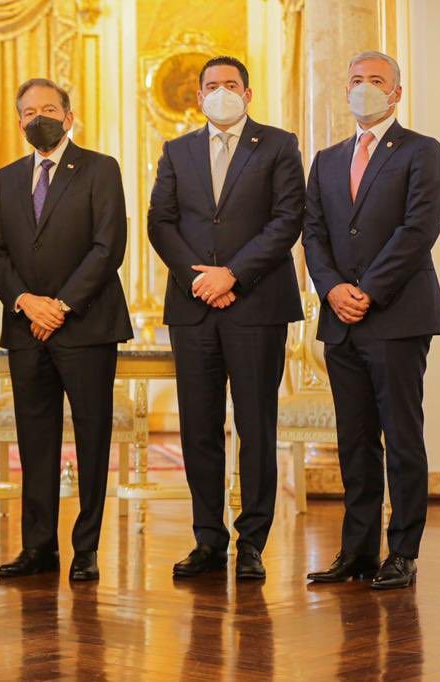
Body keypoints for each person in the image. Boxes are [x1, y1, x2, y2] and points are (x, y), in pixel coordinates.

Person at [147, 56, 305, 581]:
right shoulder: (177, 150)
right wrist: (200, 278)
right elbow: (160, 222)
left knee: (256, 423)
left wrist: (232, 275)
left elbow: (287, 219)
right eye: (211, 86)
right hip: (194, 308)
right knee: (199, 427)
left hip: (256, 305)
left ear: (248, 93)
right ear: (199, 97)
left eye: (230, 85)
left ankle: (253, 541)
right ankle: (208, 540)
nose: (221, 93)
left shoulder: (279, 145)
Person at [303, 51, 440, 590]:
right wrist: (334, 289)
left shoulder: (420, 151)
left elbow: (418, 229)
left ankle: (403, 552)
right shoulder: (327, 158)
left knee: (402, 437)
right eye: (357, 80)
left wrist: (366, 290)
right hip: (341, 320)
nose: (365, 88)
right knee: (355, 439)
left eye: (376, 81)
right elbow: (312, 232)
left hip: (396, 316)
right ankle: (357, 552)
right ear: (345, 89)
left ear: (396, 93)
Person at [0, 78, 132, 582]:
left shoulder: (100, 168)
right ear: (19, 121)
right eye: (28, 111)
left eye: (48, 109)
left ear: (69, 117)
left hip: (86, 325)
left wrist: (61, 305)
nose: (38, 117)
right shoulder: (6, 178)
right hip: (27, 329)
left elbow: (108, 246)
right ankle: (38, 547)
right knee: (35, 440)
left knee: (92, 437)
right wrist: (27, 303)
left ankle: (86, 548)